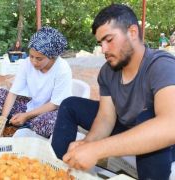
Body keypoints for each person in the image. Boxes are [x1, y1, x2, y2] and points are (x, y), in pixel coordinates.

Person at [51, 4, 175, 180]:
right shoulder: (108, 71)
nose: (103, 49)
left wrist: (98, 149)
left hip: (164, 140)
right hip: (126, 125)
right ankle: (59, 171)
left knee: (148, 124)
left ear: (132, 32)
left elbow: (170, 126)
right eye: (100, 42)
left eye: (109, 40)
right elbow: (106, 117)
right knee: (70, 105)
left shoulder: (161, 65)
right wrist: (86, 144)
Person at [0, 26, 72, 138]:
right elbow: (13, 92)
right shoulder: (26, 64)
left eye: (39, 59)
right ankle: (25, 121)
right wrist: (2, 119)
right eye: (31, 56)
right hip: (31, 105)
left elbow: (55, 104)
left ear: (52, 57)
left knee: (50, 123)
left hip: (50, 111)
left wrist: (26, 116)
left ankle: (28, 122)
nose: (34, 62)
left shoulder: (62, 68)